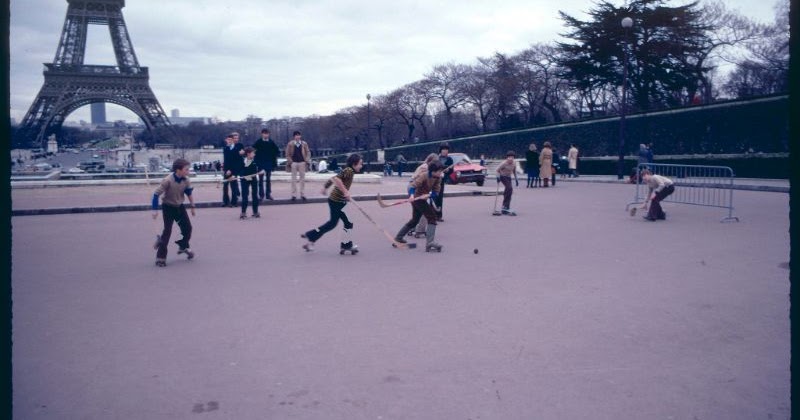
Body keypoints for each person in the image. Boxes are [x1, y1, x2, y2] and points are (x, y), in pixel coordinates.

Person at [301, 154, 364, 253]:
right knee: (344, 223)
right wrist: (345, 191)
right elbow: (337, 180)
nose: (361, 166)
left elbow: (333, 178)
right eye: (360, 164)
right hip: (337, 201)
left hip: (336, 200)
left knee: (333, 224)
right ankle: (346, 245)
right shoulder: (349, 171)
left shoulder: (347, 170)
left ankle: (311, 237)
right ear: (354, 164)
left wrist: (325, 187)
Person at [151, 158, 196, 267]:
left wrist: (192, 206)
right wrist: (155, 209)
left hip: (179, 207)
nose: (188, 171)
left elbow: (188, 192)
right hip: (168, 207)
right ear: (178, 170)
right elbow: (156, 194)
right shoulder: (168, 180)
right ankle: (160, 257)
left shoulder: (186, 180)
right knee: (167, 231)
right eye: (186, 169)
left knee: (187, 228)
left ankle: (183, 246)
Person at [393, 160, 445, 252]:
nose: (441, 173)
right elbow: (413, 186)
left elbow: (436, 192)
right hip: (416, 198)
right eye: (439, 171)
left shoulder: (438, 178)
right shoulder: (424, 175)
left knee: (415, 220)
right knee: (432, 217)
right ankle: (430, 243)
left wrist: (428, 195)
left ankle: (398, 238)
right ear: (433, 171)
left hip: (423, 198)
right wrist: (412, 195)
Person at [410, 153, 440, 238]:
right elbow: (419, 181)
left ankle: (413, 228)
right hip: (415, 190)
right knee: (424, 212)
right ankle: (419, 230)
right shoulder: (425, 168)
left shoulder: (429, 168)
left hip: (420, 190)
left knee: (417, 214)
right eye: (435, 161)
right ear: (430, 161)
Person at [252, 128, 279, 201]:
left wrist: (273, 159)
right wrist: (256, 161)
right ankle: (261, 195)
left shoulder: (271, 142)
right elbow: (253, 151)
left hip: (269, 163)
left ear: (268, 134)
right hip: (260, 164)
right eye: (264, 133)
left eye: (267, 133)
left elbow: (277, 151)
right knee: (260, 180)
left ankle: (268, 194)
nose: (265, 135)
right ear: (262, 134)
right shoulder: (258, 142)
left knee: (268, 180)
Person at [285, 130, 311, 201]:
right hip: (294, 163)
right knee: (294, 179)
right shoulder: (290, 144)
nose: (297, 136)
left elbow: (308, 152)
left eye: (298, 135)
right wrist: (290, 162)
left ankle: (302, 194)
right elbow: (287, 154)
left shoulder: (304, 144)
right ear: (294, 136)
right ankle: (293, 194)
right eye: (296, 135)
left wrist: (306, 160)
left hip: (302, 162)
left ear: (300, 136)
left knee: (302, 179)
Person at [239, 146, 260, 220]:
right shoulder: (242, 161)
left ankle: (255, 212)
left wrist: (261, 171)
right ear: (248, 154)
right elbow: (241, 171)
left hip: (253, 179)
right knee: (245, 195)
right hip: (244, 179)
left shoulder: (255, 161)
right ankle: (243, 212)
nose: (254, 154)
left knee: (255, 195)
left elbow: (258, 169)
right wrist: (242, 175)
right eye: (253, 153)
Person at [222, 133, 243, 207]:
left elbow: (236, 161)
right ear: (226, 140)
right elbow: (226, 160)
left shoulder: (236, 149)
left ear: (233, 141)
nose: (229, 141)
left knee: (233, 186)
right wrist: (226, 170)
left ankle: (234, 202)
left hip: (233, 170)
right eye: (228, 140)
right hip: (226, 170)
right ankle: (225, 201)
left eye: (231, 140)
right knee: (225, 186)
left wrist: (231, 170)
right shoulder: (225, 149)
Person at [435, 143, 454, 221]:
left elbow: (451, 171)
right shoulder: (436, 158)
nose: (445, 151)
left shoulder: (450, 159)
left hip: (441, 180)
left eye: (447, 150)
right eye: (444, 150)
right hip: (434, 179)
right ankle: (432, 214)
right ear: (441, 150)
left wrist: (447, 171)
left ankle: (439, 215)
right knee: (433, 197)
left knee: (439, 198)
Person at [496, 150, 518, 215]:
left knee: (509, 191)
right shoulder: (504, 163)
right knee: (509, 188)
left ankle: (506, 207)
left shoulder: (514, 163)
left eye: (512, 157)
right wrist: (498, 177)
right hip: (502, 176)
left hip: (509, 177)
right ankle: (505, 206)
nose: (511, 158)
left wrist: (516, 179)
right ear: (507, 157)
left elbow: (514, 171)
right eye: (509, 157)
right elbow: (497, 170)